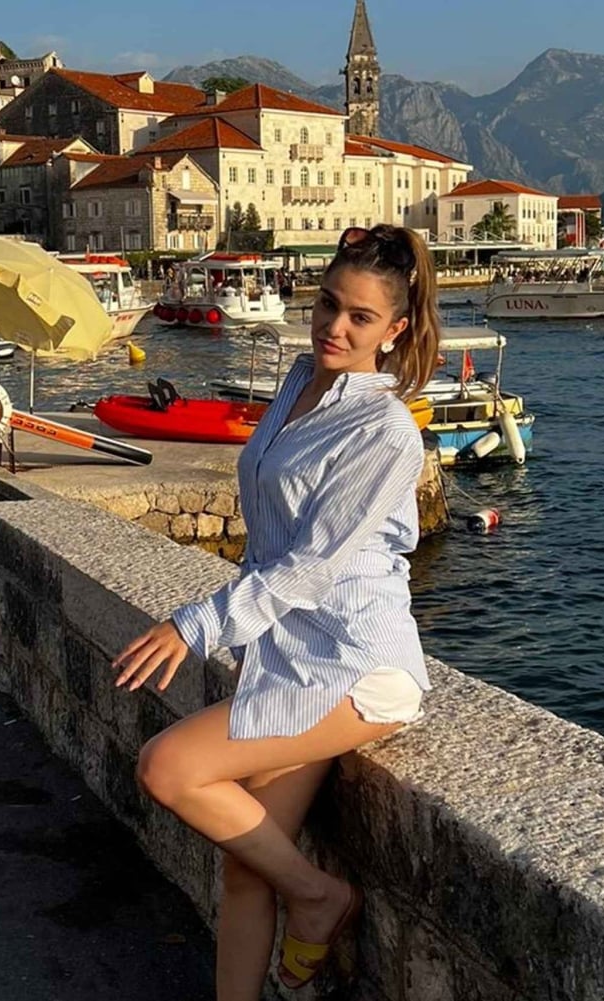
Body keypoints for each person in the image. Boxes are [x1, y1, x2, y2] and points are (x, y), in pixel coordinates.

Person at [112, 224, 441, 998]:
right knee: (245, 870)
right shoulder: (299, 379)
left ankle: (320, 897)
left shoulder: (385, 431)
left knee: (167, 766)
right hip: (290, 651)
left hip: (356, 664)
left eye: (360, 317)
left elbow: (313, 565)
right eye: (329, 304)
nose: (335, 327)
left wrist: (194, 624)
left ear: (395, 330)